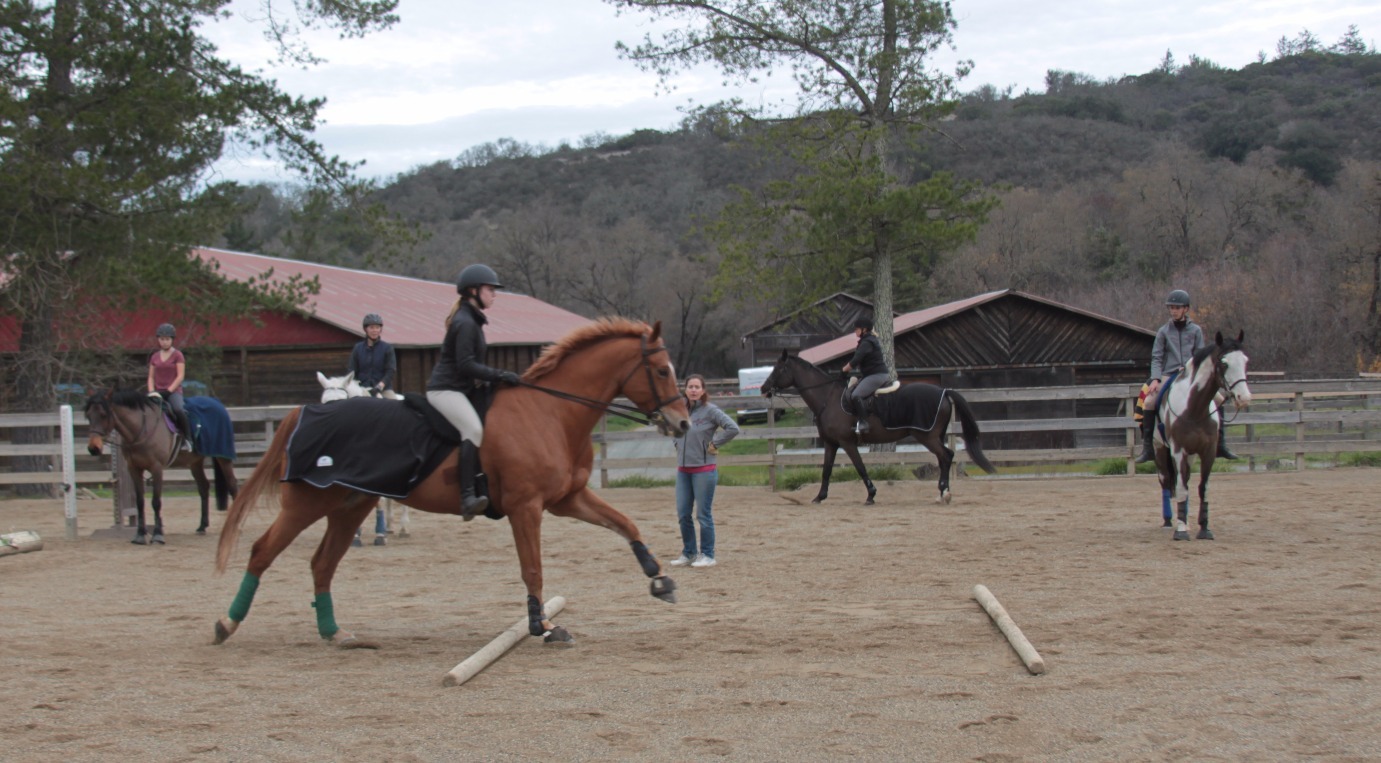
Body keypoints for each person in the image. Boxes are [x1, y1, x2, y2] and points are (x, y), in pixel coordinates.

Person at [426, 264, 522, 520]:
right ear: (473, 291)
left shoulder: (471, 319)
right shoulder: (466, 322)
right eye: (490, 289)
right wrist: (499, 375)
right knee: (473, 430)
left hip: (460, 389)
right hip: (445, 391)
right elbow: (466, 365)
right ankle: (467, 496)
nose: (494, 294)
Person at [1136, 289, 1238, 463]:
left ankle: (1221, 444)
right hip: (1169, 374)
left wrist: (1194, 368)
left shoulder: (1196, 330)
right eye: (1171, 307)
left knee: (1219, 399)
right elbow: (1157, 357)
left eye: (1177, 307)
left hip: (1191, 374)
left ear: (1186, 309)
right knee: (1149, 402)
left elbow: (1200, 354)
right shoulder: (1163, 332)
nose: (1173, 310)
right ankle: (1148, 448)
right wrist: (1155, 378)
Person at [670, 374, 739, 569]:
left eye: (696, 387)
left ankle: (708, 554)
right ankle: (689, 553)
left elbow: (733, 428)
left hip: (704, 470)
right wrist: (676, 442)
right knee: (683, 513)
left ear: (703, 390)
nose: (693, 390)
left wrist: (714, 444)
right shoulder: (680, 410)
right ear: (685, 389)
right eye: (690, 386)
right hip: (683, 471)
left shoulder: (711, 411)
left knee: (703, 514)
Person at [840, 315, 890, 434]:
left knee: (856, 395)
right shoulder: (866, 340)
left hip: (877, 375)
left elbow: (856, 359)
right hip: (871, 375)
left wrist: (843, 370)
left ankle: (864, 423)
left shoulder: (867, 342)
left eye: (857, 329)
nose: (855, 331)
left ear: (864, 329)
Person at [147, 323, 190, 443]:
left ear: (172, 340)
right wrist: (151, 392)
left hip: (173, 392)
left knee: (178, 410)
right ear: (158, 340)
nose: (164, 342)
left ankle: (187, 437)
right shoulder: (154, 357)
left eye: (167, 339)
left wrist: (168, 391)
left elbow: (180, 376)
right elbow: (151, 377)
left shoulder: (178, 355)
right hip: (157, 392)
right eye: (162, 339)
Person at [347, 313, 397, 397]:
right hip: (362, 388)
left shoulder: (387, 348)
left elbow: (390, 371)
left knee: (394, 405)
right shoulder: (358, 348)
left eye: (377, 327)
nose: (375, 330)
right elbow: (351, 370)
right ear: (366, 329)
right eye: (372, 327)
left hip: (383, 389)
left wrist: (380, 386)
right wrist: (355, 386)